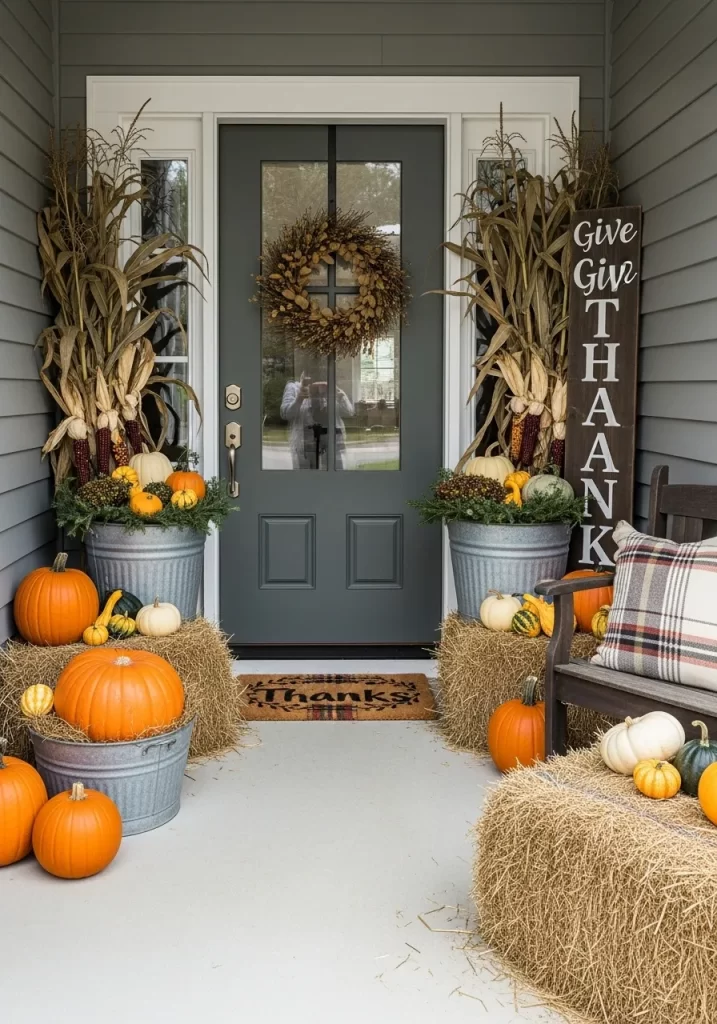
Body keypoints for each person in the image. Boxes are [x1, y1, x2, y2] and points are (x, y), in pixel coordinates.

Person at [280, 369, 354, 469]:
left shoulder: (330, 387)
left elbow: (349, 412)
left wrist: (337, 393)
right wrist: (300, 398)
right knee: (306, 480)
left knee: (335, 477)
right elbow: (286, 414)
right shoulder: (294, 388)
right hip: (305, 444)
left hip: (332, 443)